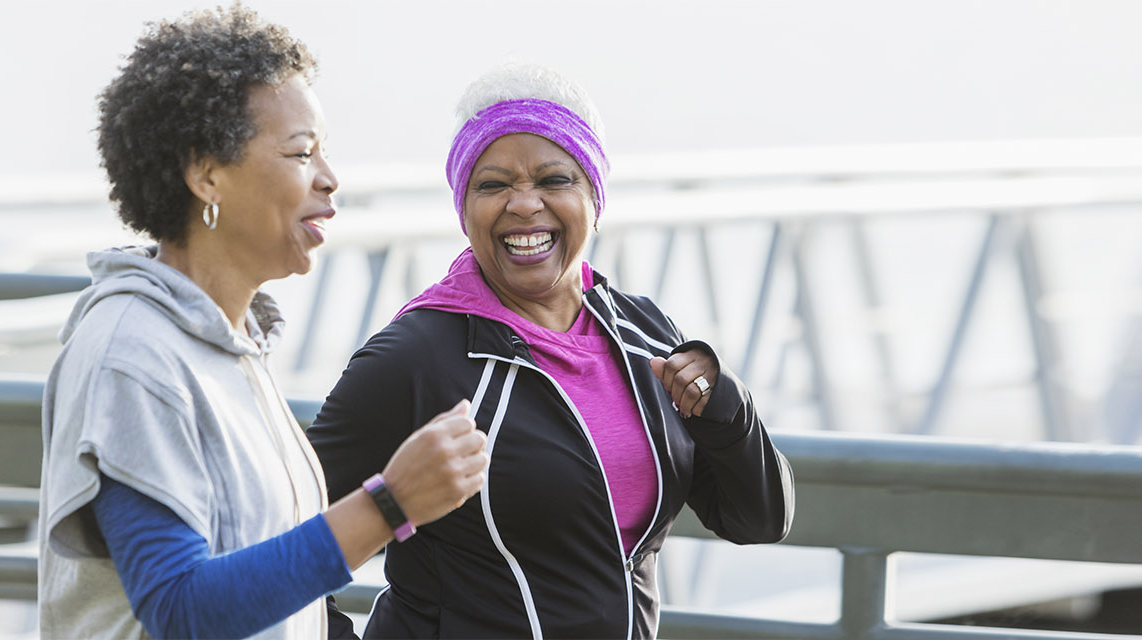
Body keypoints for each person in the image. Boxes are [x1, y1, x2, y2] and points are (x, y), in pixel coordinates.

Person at [37, 6, 487, 639]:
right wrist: (391, 503)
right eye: (302, 153)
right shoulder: (132, 356)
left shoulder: (232, 343)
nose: (330, 181)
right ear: (207, 174)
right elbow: (180, 608)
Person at [306, 63, 795, 639]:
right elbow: (276, 539)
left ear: (594, 196)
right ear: (465, 210)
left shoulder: (642, 332)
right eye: (492, 185)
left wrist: (726, 409)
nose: (523, 204)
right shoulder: (414, 357)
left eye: (554, 180)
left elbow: (757, 518)